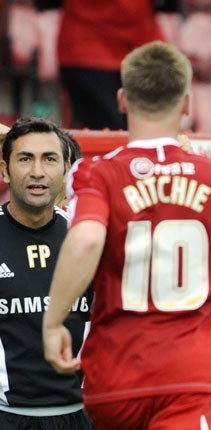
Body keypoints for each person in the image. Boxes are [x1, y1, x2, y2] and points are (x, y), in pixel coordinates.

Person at [41, 41, 211, 429]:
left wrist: (53, 322)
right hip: (194, 378)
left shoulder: (98, 173)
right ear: (187, 103)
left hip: (116, 378)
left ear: (122, 99)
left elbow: (86, 240)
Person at [0, 117, 93, 429]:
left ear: (67, 169)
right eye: (25, 159)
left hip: (82, 416)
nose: (37, 171)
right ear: (4, 170)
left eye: (49, 159)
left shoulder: (88, 239)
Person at [35, 0, 184, 130]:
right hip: (87, 52)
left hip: (141, 54)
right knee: (108, 133)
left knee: (146, 133)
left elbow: (169, 10)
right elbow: (49, 7)